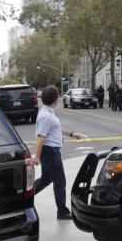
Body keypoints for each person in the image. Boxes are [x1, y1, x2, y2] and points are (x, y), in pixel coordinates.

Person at [33, 85, 85, 220]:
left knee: (46, 179)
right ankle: (62, 211)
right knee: (60, 181)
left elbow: (56, 128)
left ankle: (24, 197)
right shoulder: (46, 116)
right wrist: (37, 157)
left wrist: (72, 134)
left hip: (50, 151)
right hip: (50, 152)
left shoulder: (48, 113)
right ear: (55, 100)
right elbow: (40, 137)